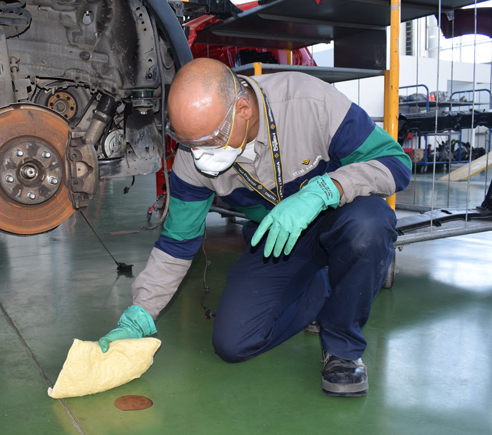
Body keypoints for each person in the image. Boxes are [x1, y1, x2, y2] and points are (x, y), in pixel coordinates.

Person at [98, 58, 411, 397]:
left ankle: (342, 350)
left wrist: (323, 191)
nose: (201, 155)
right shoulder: (193, 162)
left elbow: (395, 163)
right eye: (190, 142)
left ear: (243, 109)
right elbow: (178, 242)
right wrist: (140, 314)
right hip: (278, 242)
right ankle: (318, 291)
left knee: (370, 224)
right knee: (233, 343)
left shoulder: (308, 102)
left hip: (340, 218)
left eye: (211, 138)